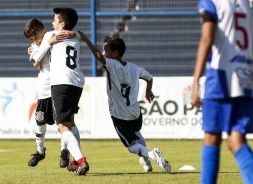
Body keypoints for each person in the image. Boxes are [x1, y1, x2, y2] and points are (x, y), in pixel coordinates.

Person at [78, 31, 171, 173]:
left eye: (106, 50)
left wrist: (85, 39)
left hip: (120, 115)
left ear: (115, 54)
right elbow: (149, 77)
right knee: (136, 133)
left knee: (131, 146)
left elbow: (97, 56)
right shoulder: (134, 68)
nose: (103, 53)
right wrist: (148, 90)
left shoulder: (111, 65)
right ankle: (146, 162)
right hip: (135, 113)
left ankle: (151, 154)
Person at [191, 0, 253, 183]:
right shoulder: (244, 3)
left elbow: (206, 39)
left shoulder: (211, 2)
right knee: (236, 141)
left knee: (211, 136)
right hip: (245, 76)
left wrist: (195, 82)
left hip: (220, 76)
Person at [30, 7, 89, 176]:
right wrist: (77, 34)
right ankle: (75, 161)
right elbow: (78, 35)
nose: (52, 23)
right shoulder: (74, 37)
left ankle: (81, 160)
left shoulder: (50, 36)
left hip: (61, 82)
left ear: (62, 24)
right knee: (70, 122)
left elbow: (37, 59)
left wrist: (38, 47)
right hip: (77, 82)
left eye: (55, 20)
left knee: (62, 126)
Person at [23, 18, 76, 167]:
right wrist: (47, 44)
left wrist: (51, 41)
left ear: (43, 31)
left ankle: (65, 152)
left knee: (63, 123)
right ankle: (40, 151)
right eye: (32, 39)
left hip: (59, 85)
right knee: (40, 121)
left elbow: (69, 34)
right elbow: (36, 61)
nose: (35, 41)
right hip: (44, 90)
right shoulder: (36, 45)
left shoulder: (53, 35)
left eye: (36, 37)